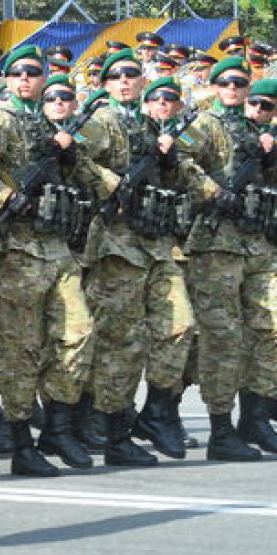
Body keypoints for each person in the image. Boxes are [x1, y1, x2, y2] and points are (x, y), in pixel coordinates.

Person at [0, 45, 97, 477]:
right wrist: (4, 196)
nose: (25, 78)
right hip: (18, 253)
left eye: (33, 72)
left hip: (58, 249)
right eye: (17, 72)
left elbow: (84, 172)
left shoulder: (48, 123)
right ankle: (22, 440)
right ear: (5, 78)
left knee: (78, 334)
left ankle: (57, 425)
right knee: (21, 349)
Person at [76, 54, 209, 466]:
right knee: (121, 342)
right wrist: (113, 184)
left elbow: (180, 171)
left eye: (131, 74)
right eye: (114, 76)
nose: (124, 81)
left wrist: (171, 163)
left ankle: (156, 411)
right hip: (118, 246)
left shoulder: (153, 126)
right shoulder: (102, 122)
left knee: (180, 326)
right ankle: (112, 429)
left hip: (157, 242)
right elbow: (76, 159)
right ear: (106, 83)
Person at [181, 56, 277, 459]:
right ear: (216, 87)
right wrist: (213, 191)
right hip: (217, 243)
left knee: (269, 328)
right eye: (227, 83)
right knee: (222, 337)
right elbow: (182, 162)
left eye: (241, 84)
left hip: (259, 242)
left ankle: (255, 417)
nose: (235, 90)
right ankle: (220, 428)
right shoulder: (205, 124)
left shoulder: (258, 129)